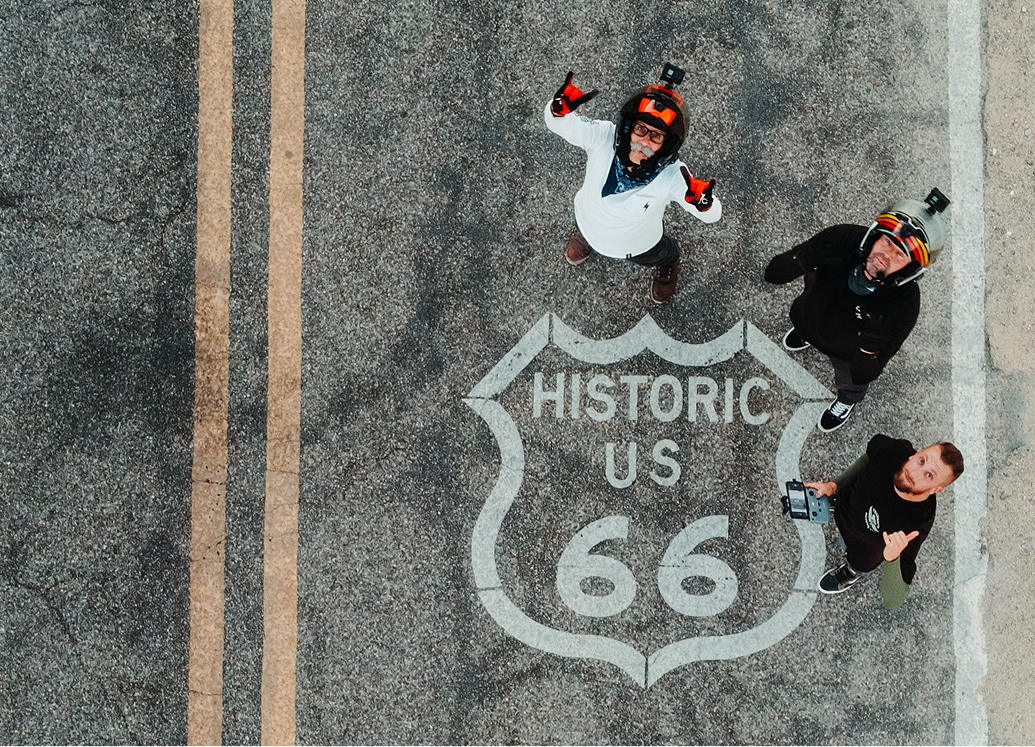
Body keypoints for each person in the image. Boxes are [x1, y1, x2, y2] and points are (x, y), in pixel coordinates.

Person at [765, 189, 950, 431]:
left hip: (847, 353)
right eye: (887, 241)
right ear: (874, 235)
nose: (886, 256)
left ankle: (846, 401)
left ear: (911, 268)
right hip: (809, 316)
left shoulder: (904, 307)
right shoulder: (841, 239)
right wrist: (803, 259)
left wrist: (870, 344)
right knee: (805, 324)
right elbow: (773, 275)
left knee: (851, 384)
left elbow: (865, 373)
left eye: (900, 254)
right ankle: (804, 335)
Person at [544, 65, 722, 304]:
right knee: (586, 228)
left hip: (637, 245)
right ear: (628, 128)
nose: (645, 141)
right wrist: (557, 111)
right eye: (641, 129)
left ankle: (669, 264)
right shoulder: (604, 136)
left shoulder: (672, 175)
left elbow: (712, 215)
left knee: (662, 254)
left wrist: (704, 204)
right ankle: (587, 239)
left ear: (666, 145)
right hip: (586, 217)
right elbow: (562, 125)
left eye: (656, 136)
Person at [805, 434, 964, 609]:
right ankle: (835, 502)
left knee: (859, 565)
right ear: (914, 455)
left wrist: (892, 558)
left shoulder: (917, 523)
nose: (914, 472)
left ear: (936, 489)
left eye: (928, 475)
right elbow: (868, 459)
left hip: (862, 552)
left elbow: (893, 601)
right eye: (921, 461)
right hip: (847, 504)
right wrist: (835, 485)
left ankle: (852, 572)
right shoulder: (894, 451)